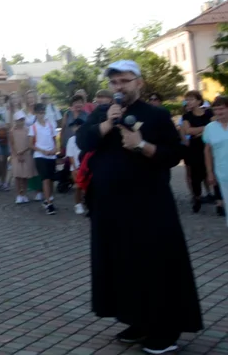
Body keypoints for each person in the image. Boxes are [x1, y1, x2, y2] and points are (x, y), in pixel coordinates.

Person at [76, 60, 202, 354]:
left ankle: (163, 331)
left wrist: (142, 145)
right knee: (121, 266)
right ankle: (136, 320)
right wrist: (108, 123)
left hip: (148, 208)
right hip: (110, 208)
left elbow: (174, 154)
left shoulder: (156, 115)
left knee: (153, 267)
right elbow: (84, 140)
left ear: (139, 83)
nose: (119, 87)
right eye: (114, 82)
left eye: (125, 81)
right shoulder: (102, 112)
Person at [180, 90, 214, 213]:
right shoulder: (186, 116)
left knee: (211, 172)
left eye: (191, 99)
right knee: (195, 175)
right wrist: (205, 128)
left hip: (209, 146)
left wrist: (198, 132)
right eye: (187, 99)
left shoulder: (209, 113)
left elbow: (215, 125)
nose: (188, 102)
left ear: (199, 101)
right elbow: (188, 131)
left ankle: (219, 200)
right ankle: (197, 198)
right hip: (194, 148)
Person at [202, 95, 228, 225]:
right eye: (216, 110)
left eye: (222, 109)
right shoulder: (210, 128)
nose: (219, 112)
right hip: (222, 172)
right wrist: (210, 172)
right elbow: (207, 150)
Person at [29, 103, 58, 215]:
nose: (42, 114)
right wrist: (42, 150)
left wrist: (55, 148)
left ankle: (48, 198)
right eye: (39, 112)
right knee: (45, 178)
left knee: (51, 179)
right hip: (40, 156)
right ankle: (50, 204)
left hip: (51, 155)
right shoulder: (33, 127)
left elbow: (55, 139)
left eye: (43, 112)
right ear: (35, 113)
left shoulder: (50, 125)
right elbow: (30, 144)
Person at [9, 111, 34, 204]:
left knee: (25, 176)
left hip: (26, 154)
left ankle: (24, 193)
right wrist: (17, 154)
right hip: (16, 155)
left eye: (22, 119)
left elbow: (29, 143)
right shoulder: (12, 131)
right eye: (19, 120)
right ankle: (19, 194)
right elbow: (12, 144)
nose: (21, 122)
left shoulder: (28, 130)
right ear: (15, 121)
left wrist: (23, 152)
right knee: (18, 176)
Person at [65, 117, 87, 215]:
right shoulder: (71, 140)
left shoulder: (87, 138)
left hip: (86, 166)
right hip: (76, 167)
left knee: (87, 187)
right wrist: (74, 168)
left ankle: (86, 203)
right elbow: (70, 155)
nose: (75, 128)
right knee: (78, 186)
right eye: (74, 127)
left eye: (77, 126)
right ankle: (78, 204)